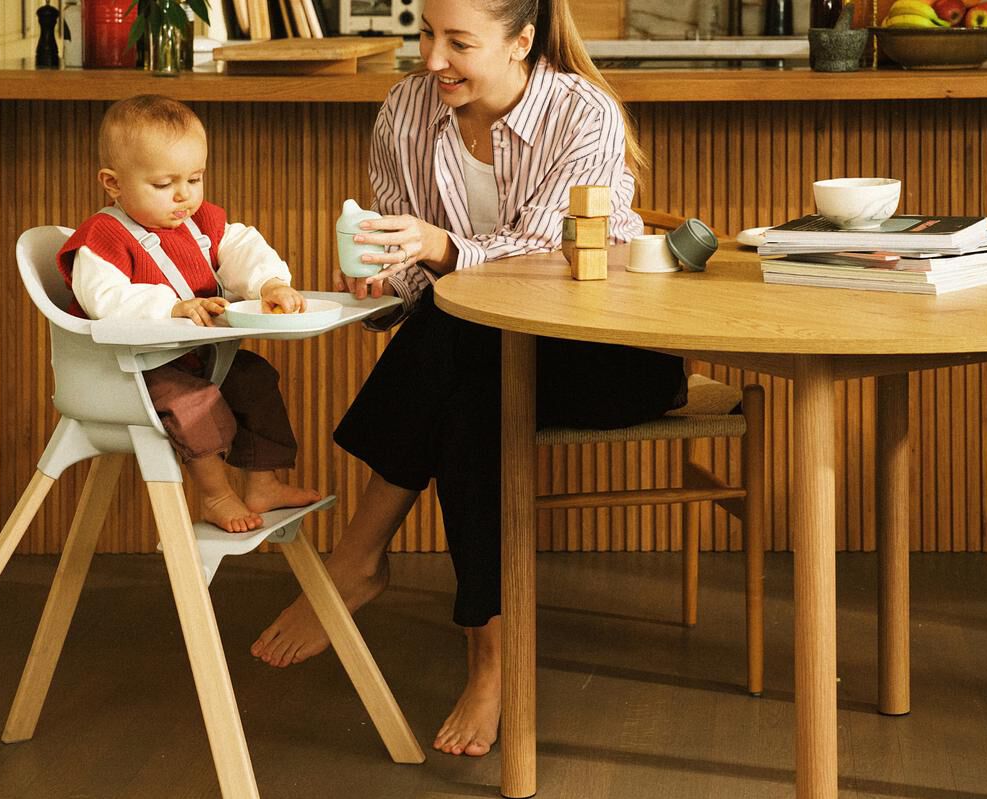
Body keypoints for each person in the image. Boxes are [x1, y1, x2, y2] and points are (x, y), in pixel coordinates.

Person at [249, 0, 688, 756]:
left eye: (458, 42)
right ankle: (489, 653)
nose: (431, 60)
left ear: (522, 40)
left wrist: (441, 251)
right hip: (483, 351)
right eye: (425, 34)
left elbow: (544, 260)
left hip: (613, 346)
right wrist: (387, 278)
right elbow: (424, 278)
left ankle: (358, 557)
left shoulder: (583, 112)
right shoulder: (406, 111)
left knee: (468, 336)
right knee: (471, 373)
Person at [57, 94, 322, 532]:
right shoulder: (101, 239)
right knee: (195, 403)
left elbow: (240, 246)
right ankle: (216, 495)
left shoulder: (199, 224)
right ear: (113, 183)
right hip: (128, 372)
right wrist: (172, 307)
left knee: (254, 378)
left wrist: (269, 283)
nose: (184, 195)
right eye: (163, 185)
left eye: (195, 179)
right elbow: (105, 302)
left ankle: (263, 483)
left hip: (195, 359)